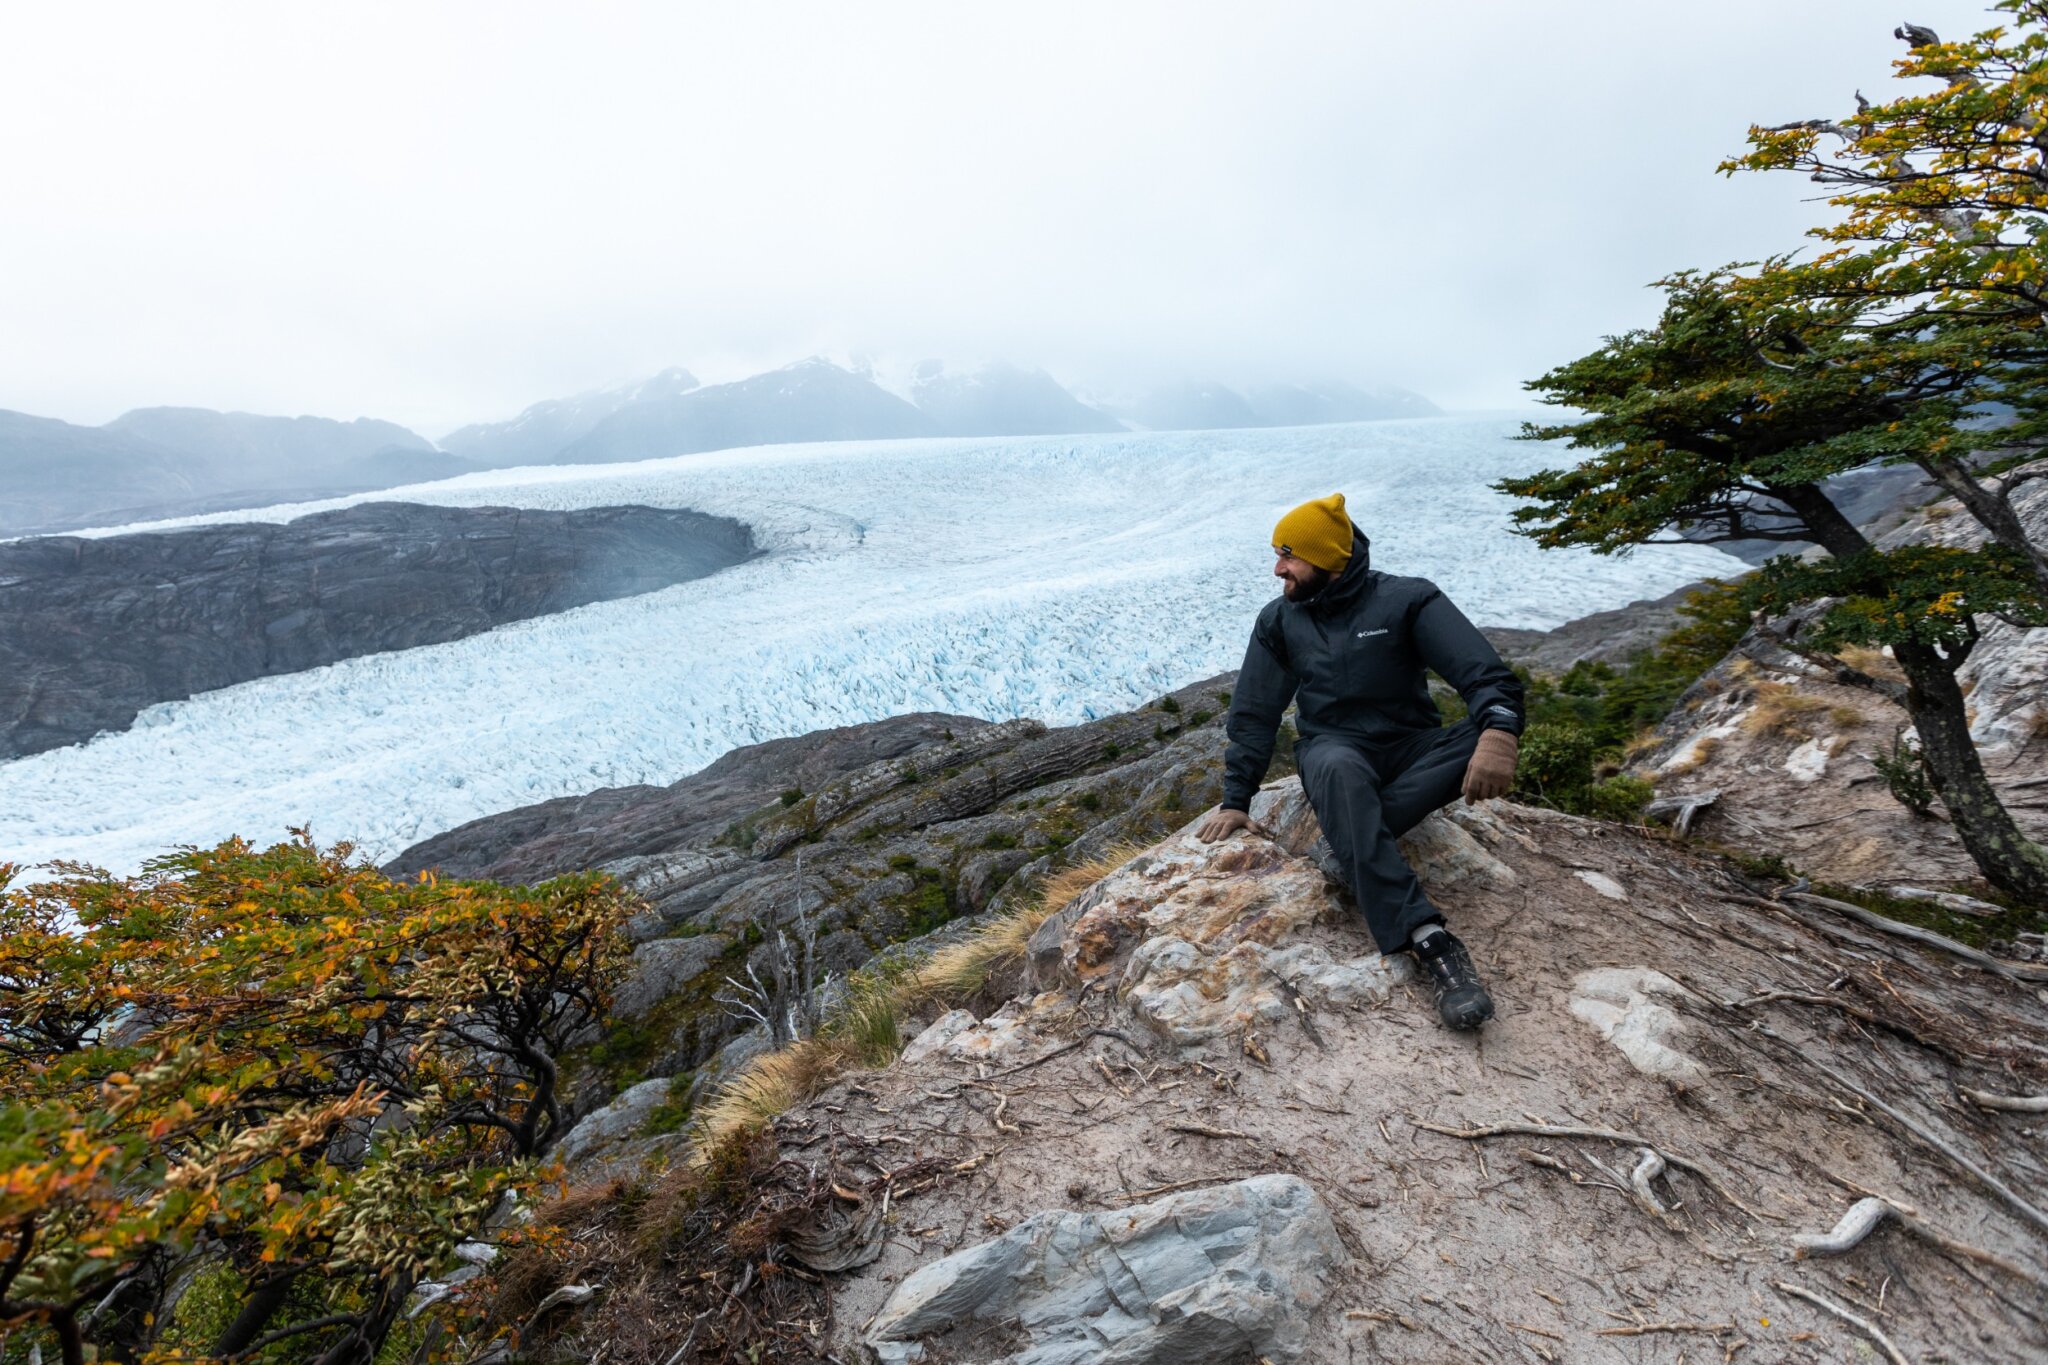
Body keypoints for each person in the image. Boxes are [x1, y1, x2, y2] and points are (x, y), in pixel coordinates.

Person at [1195, 492, 1524, 1030]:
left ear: (1328, 558)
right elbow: (1254, 712)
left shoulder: (1407, 600)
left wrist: (1499, 733)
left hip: (1413, 748)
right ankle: (1430, 941)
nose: (1278, 568)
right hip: (1335, 749)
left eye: (1289, 555)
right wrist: (1237, 799)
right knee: (1339, 768)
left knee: (1479, 736)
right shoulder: (1280, 620)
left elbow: (1487, 676)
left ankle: (1351, 843)